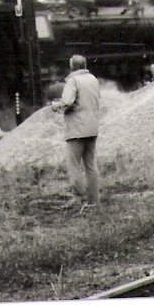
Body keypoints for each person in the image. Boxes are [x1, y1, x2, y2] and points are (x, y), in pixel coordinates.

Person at [51, 54, 101, 207]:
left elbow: (67, 102)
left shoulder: (73, 81)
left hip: (76, 129)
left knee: (74, 165)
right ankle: (94, 200)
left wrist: (55, 106)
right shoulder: (93, 79)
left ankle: (78, 198)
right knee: (90, 165)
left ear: (72, 66)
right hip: (92, 127)